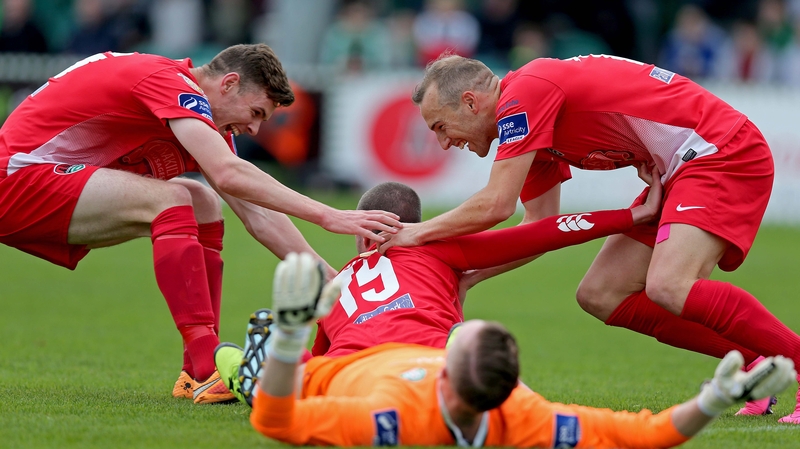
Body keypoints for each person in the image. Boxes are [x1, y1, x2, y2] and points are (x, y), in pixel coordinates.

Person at [377, 52, 800, 423]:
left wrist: (417, 233)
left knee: (670, 284)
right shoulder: (527, 123)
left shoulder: (524, 95)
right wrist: (468, 275)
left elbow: (495, 204)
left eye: (440, 126)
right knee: (601, 293)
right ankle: (758, 359)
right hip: (680, 168)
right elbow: (535, 228)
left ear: (470, 102)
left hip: (718, 150)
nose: (444, 142)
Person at [0, 44, 401, 404]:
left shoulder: (197, 116)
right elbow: (229, 173)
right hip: (15, 179)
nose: (255, 130)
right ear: (228, 83)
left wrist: (338, 290)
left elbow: (257, 214)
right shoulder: (167, 80)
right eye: (256, 113)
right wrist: (327, 214)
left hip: (50, 184)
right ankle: (208, 363)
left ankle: (195, 374)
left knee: (204, 202)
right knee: (172, 198)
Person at [247, 252, 796, 447]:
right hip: (378, 349)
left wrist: (293, 337)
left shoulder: (388, 416)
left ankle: (241, 357)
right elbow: (648, 434)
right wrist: (713, 401)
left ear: (443, 373)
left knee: (247, 373)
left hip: (333, 366)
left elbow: (275, 420)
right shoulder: (523, 416)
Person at [216, 179, 665, 405]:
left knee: (242, 354)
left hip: (347, 378)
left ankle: (250, 372)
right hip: (430, 369)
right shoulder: (435, 249)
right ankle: (522, 402)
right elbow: (543, 234)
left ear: (360, 230)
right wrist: (630, 215)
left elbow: (320, 347)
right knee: (467, 339)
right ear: (413, 223)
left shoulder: (335, 283)